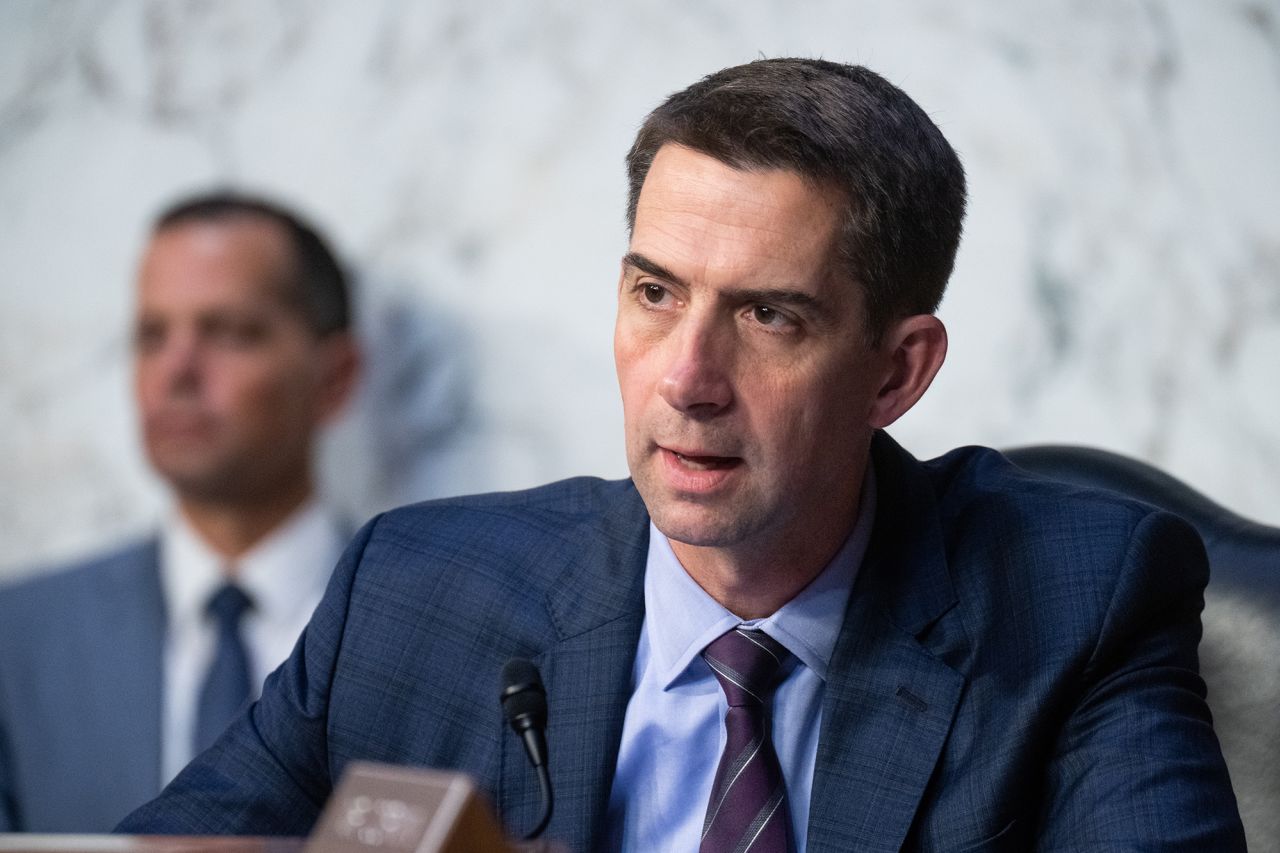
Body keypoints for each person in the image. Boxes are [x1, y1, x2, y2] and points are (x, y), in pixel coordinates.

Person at [118, 59, 1244, 850]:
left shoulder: (1072, 605)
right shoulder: (415, 593)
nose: (684, 377)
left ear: (896, 373)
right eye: (654, 294)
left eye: (769, 317)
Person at [0, 193, 360, 832]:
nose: (177, 370)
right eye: (151, 335)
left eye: (228, 332)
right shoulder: (17, 639)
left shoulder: (433, 627)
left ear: (335, 377)